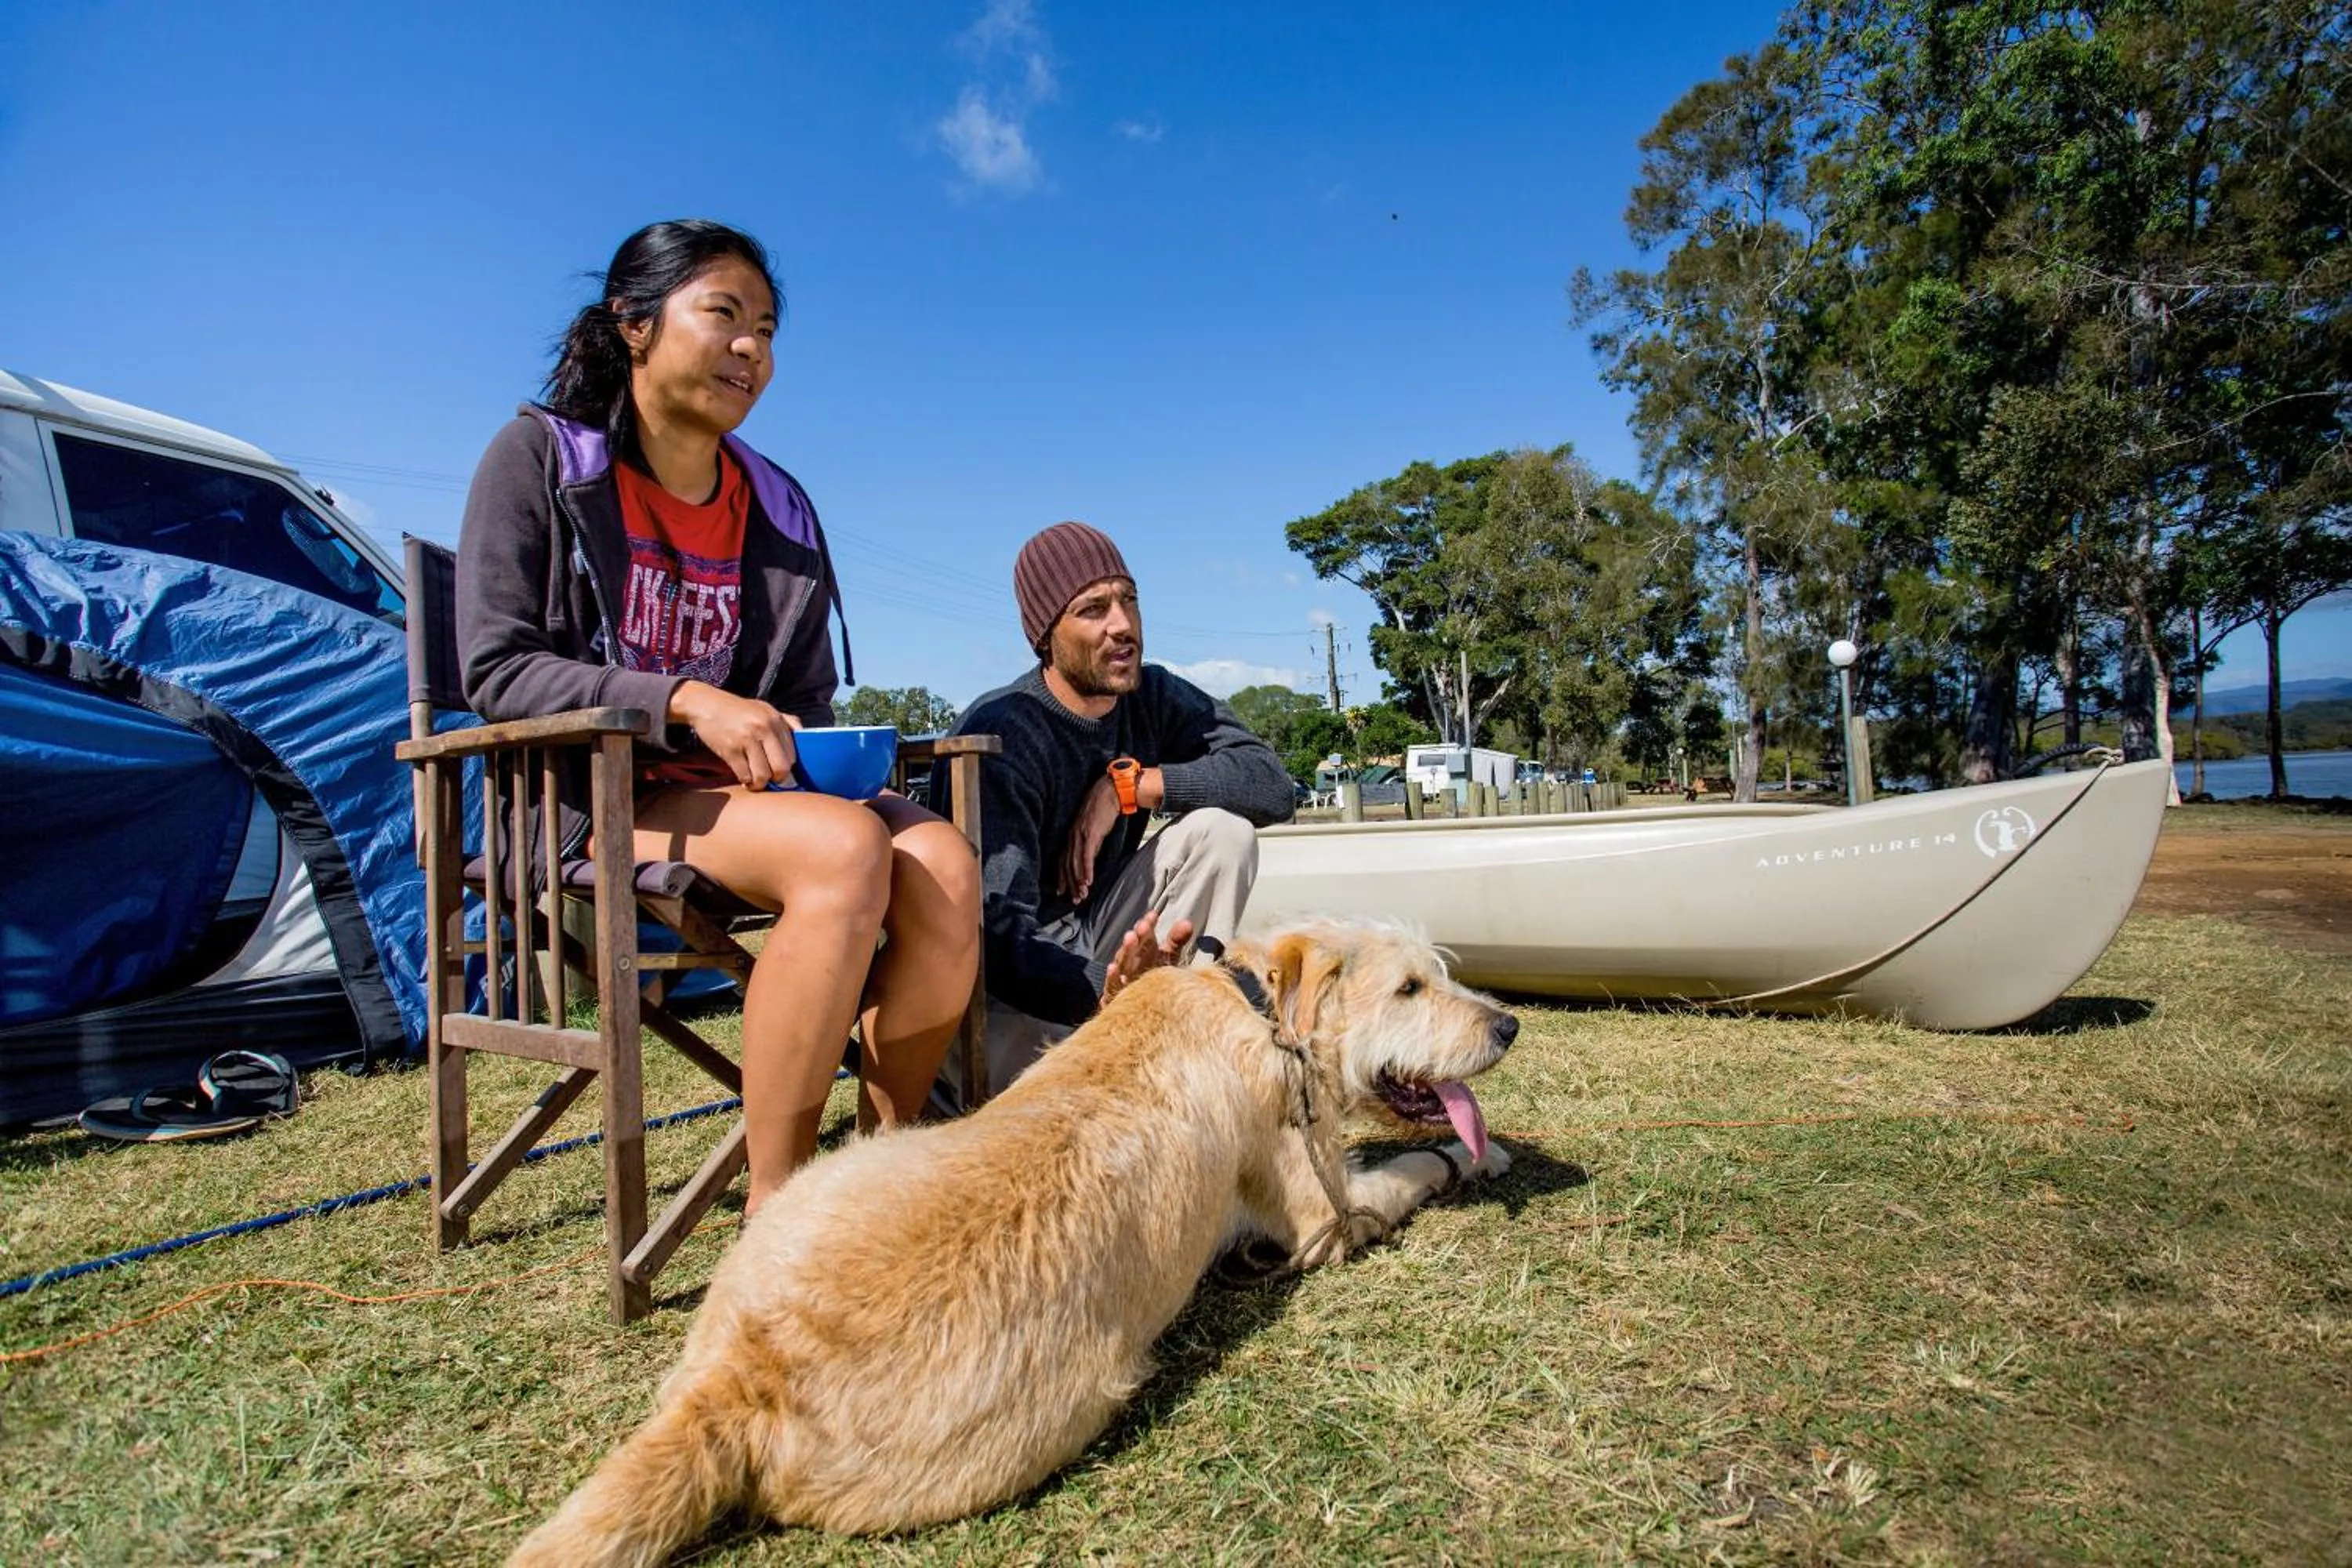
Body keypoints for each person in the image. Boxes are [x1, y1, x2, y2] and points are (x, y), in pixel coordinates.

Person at [457, 220, 981, 1218]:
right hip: (589, 794)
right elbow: (496, 667)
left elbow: (808, 694)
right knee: (841, 852)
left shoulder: (778, 505)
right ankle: (782, 1217)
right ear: (635, 326)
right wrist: (685, 699)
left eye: (769, 328)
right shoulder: (541, 459)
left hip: (749, 797)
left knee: (946, 864)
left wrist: (803, 744)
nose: (753, 348)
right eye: (725, 315)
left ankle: (873, 1178)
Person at [935, 521, 1297, 1112]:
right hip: (1006, 1004)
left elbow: (1272, 787)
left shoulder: (1151, 697)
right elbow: (993, 942)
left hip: (1106, 963)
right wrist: (1111, 990)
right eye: (1093, 609)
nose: (1123, 625)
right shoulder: (1004, 731)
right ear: (1046, 637)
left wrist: (1134, 786)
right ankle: (1154, 1050)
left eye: (1128, 599)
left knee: (1222, 833)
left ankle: (1181, 1049)